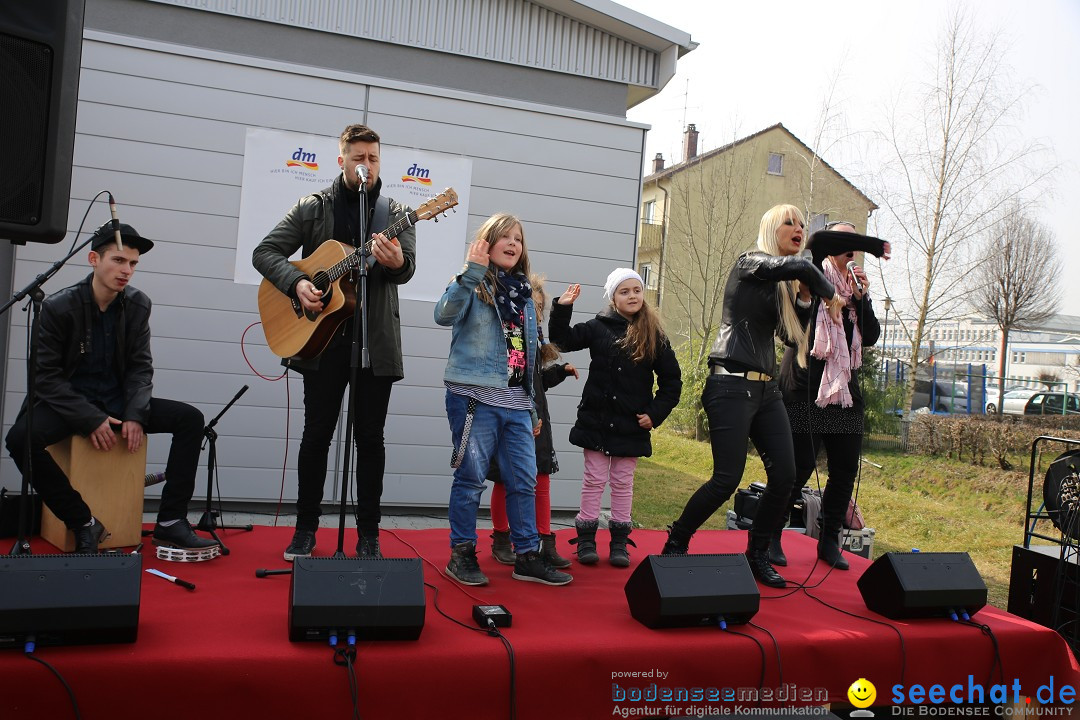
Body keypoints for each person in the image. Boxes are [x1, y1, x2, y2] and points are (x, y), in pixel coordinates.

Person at [253, 124, 416, 561]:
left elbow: (406, 269)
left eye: (374, 158)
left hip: (373, 343)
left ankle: (368, 536)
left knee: (370, 439)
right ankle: (306, 530)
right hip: (320, 343)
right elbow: (265, 252)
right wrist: (299, 283)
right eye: (358, 157)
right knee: (317, 436)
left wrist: (397, 261)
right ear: (341, 160)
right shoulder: (312, 207)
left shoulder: (395, 211)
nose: (367, 165)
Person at [5, 222, 220, 553]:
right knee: (19, 439)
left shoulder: (138, 304)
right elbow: (45, 377)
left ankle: (170, 522)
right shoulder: (58, 307)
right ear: (93, 259)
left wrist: (136, 412)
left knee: (189, 418)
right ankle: (83, 522)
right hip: (70, 403)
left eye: (133, 263)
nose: (127, 270)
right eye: (118, 260)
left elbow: (140, 367)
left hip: (118, 401)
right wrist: (90, 418)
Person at [661, 204, 841, 588]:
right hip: (730, 384)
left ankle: (757, 553)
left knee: (787, 475)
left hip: (766, 389)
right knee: (727, 478)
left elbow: (793, 338)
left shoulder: (782, 286)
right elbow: (800, 266)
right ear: (772, 228)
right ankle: (677, 540)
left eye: (801, 224)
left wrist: (808, 298)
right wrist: (830, 293)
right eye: (789, 223)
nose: (797, 228)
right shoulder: (751, 262)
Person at [434, 213, 572, 587]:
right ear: (486, 243)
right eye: (505, 237)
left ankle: (527, 555)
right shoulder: (469, 284)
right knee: (471, 479)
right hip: (473, 399)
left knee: (524, 481)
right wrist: (471, 274)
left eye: (518, 238)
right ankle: (461, 555)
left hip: (514, 403)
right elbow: (443, 315)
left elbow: (521, 356)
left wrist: (529, 404)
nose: (513, 243)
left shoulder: (525, 296)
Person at [774, 221, 889, 570]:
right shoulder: (809, 273)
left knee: (844, 470)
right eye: (847, 240)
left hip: (843, 393)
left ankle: (828, 540)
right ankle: (771, 536)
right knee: (799, 468)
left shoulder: (854, 290)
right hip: (806, 388)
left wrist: (861, 298)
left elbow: (869, 337)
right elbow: (790, 333)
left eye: (856, 243)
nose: (851, 249)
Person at [550, 268, 682, 567]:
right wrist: (563, 308)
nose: (632, 296)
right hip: (596, 420)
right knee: (594, 479)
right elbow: (562, 341)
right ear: (613, 298)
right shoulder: (598, 327)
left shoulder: (654, 334)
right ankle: (586, 539)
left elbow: (672, 382)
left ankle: (620, 542)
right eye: (624, 291)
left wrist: (654, 413)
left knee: (623, 482)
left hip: (630, 424)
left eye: (637, 290)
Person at [488, 275, 578, 570]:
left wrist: (560, 371)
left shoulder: (536, 339)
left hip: (538, 419)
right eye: (530, 306)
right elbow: (514, 382)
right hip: (515, 416)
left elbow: (537, 382)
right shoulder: (510, 335)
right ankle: (502, 539)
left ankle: (544, 541)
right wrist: (527, 414)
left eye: (539, 309)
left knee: (542, 479)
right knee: (505, 478)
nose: (534, 312)